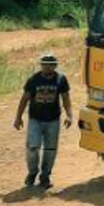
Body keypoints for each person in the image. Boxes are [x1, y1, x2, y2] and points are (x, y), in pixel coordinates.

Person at [14, 52, 72, 189]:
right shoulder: (33, 80)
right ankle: (32, 173)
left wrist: (69, 115)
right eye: (45, 65)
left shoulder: (61, 79)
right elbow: (24, 99)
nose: (47, 67)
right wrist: (18, 117)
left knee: (50, 150)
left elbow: (65, 98)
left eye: (51, 65)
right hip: (35, 119)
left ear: (55, 66)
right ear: (41, 65)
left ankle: (45, 176)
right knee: (33, 148)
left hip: (53, 120)